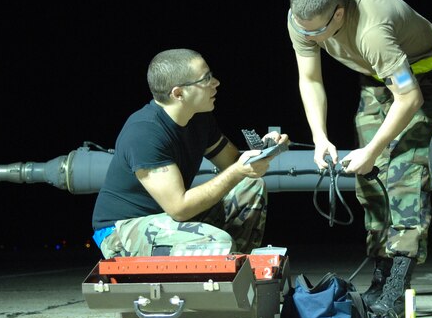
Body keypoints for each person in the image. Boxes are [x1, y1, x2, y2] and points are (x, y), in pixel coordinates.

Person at [287, 0, 432, 318]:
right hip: (375, 80)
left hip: (420, 76)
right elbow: (310, 80)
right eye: (304, 31)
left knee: (405, 176)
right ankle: (380, 272)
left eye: (316, 33)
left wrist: (373, 148)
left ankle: (398, 284)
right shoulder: (302, 18)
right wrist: (320, 138)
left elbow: (410, 98)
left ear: (339, 15)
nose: (309, 38)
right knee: (370, 178)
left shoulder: (373, 32)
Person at [91, 48, 289, 258]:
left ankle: (236, 270)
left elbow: (234, 164)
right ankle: (225, 269)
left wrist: (265, 151)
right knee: (218, 242)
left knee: (251, 186)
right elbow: (180, 208)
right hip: (122, 230)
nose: (216, 83)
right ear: (178, 93)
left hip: (167, 219)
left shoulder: (199, 118)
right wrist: (239, 171)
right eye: (206, 79)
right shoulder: (144, 132)